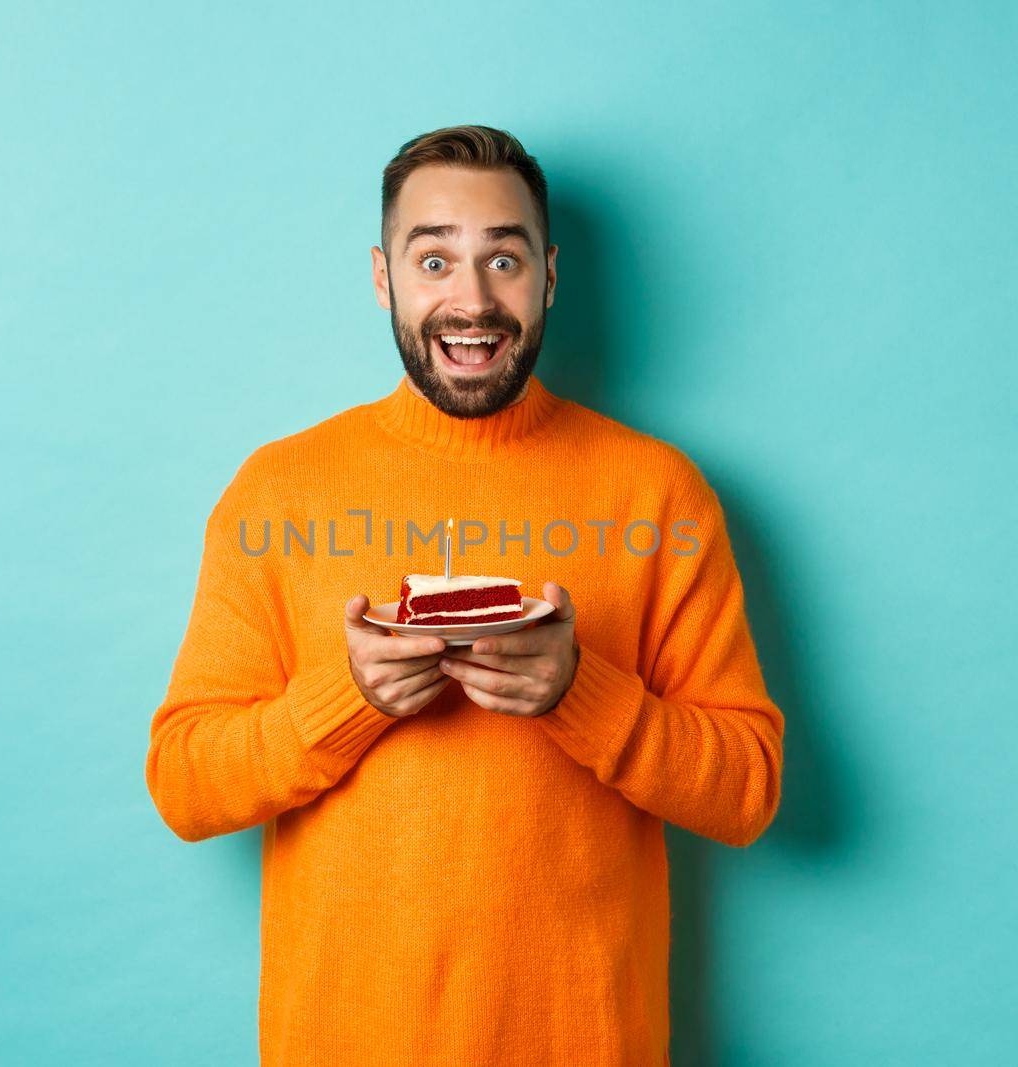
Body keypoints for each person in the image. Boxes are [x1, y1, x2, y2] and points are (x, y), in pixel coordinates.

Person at [145, 124, 784, 1066]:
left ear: (550, 276)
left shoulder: (659, 494)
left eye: (505, 259)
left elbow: (748, 789)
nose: (471, 299)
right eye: (434, 257)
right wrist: (346, 699)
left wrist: (581, 693)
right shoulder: (277, 493)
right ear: (382, 277)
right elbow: (185, 783)